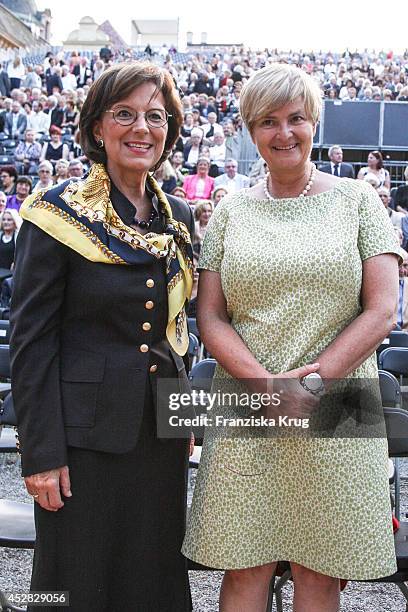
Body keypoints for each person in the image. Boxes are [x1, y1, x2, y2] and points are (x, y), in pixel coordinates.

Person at [183, 62, 401, 612]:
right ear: (251, 131)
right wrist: (267, 387)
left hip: (341, 397)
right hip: (247, 401)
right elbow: (211, 318)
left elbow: (381, 310)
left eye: (297, 118)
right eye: (268, 121)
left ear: (315, 122)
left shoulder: (358, 201)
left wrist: (310, 382)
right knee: (243, 566)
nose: (284, 133)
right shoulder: (230, 211)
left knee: (321, 573)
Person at [10, 60, 195, 612]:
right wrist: (40, 453)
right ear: (97, 128)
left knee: (153, 580)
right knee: (74, 585)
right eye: (125, 114)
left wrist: (182, 419)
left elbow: (173, 335)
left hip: (158, 441)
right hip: (80, 443)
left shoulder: (177, 216)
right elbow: (32, 342)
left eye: (155, 117)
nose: (142, 128)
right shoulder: (55, 212)